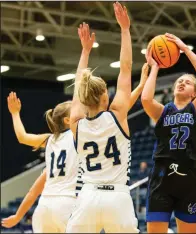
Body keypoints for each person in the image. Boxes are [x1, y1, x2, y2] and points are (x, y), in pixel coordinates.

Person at [66, 2, 139, 233]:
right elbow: (126, 68)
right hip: (118, 197)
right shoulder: (118, 114)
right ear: (104, 97)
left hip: (87, 197)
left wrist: (85, 51)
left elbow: (79, 85)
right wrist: (125, 29)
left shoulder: (75, 123)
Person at [141, 33, 196, 233]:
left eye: (187, 82)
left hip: (188, 179)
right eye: (179, 81)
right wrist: (155, 67)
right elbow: (146, 99)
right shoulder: (163, 111)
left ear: (194, 93)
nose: (182, 83)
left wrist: (185, 48)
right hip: (161, 179)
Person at [6, 93, 78, 233]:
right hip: (66, 204)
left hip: (44, 205)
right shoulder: (77, 135)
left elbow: (22, 137)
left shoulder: (50, 140)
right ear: (68, 120)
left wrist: (15, 114)